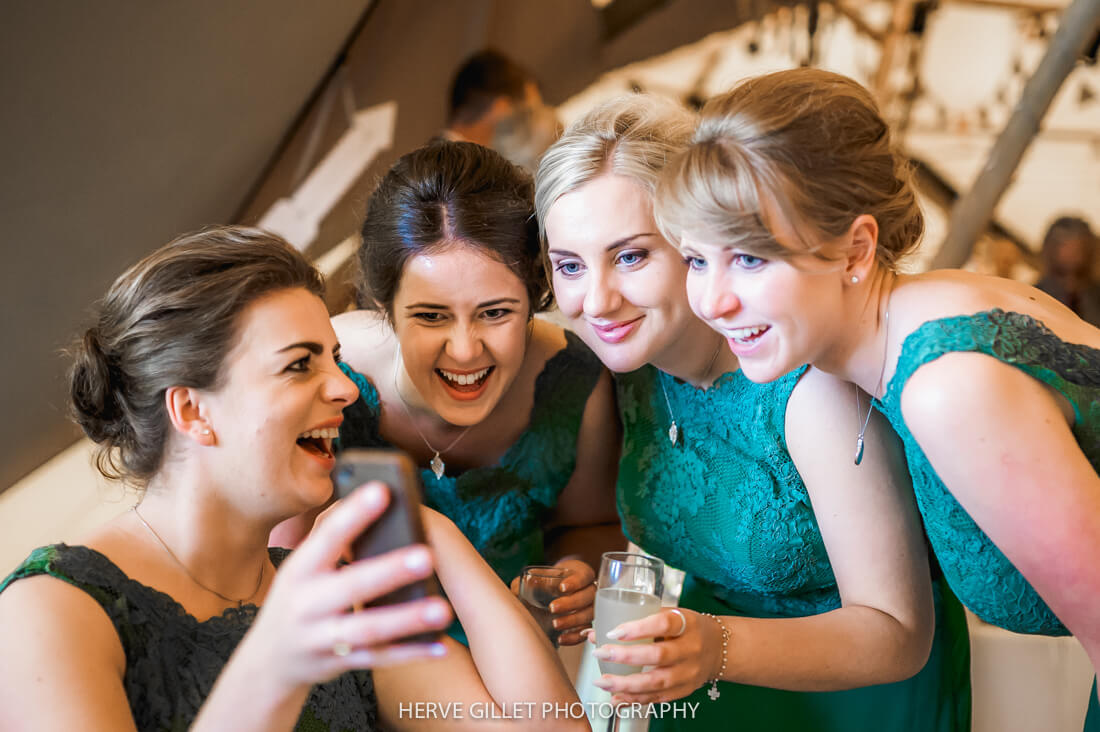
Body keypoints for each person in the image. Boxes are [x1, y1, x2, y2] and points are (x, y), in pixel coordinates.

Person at [0, 227, 585, 731]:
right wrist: (272, 667)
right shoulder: (53, 611)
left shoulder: (334, 603)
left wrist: (437, 536)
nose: (346, 388)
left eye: (333, 357)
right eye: (300, 364)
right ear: (192, 412)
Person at [654, 67, 1100, 725]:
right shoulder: (906, 332)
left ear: (856, 247)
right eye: (696, 260)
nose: (713, 302)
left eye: (750, 259)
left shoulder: (947, 384)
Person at [535, 94, 970, 731]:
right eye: (569, 266)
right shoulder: (625, 367)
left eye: (631, 256)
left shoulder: (810, 386)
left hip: (856, 700)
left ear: (699, 241)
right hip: (700, 690)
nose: (596, 300)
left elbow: (898, 634)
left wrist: (716, 645)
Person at [299, 140, 621, 646]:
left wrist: (576, 573)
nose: (466, 351)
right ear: (383, 306)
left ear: (536, 297)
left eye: (495, 312)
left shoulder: (575, 383)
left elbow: (591, 525)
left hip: (512, 667)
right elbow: (277, 567)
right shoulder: (328, 375)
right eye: (430, 316)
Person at [444, 48, 560, 171]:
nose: (534, 128)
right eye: (529, 114)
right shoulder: (455, 172)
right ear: (501, 108)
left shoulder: (442, 163)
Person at [1036, 216, 1100, 327]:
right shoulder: (1034, 295)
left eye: (1078, 245)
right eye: (1064, 244)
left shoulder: (1096, 296)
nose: (1072, 251)